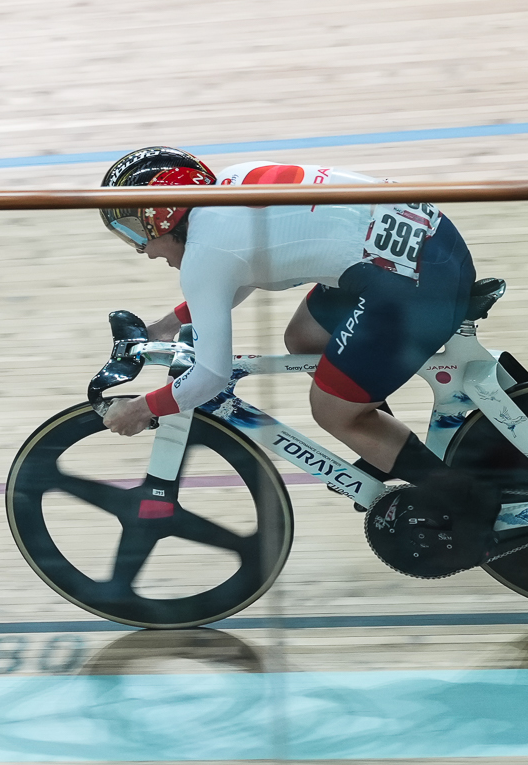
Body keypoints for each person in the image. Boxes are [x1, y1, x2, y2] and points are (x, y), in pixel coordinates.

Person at [95, 147, 496, 573]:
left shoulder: (205, 255)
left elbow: (210, 375)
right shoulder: (227, 188)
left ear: (162, 215)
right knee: (304, 337)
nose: (143, 250)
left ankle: (468, 500)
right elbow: (241, 269)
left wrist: (141, 409)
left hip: (411, 280)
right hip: (421, 245)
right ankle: (384, 446)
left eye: (135, 232)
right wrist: (166, 325)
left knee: (333, 411)